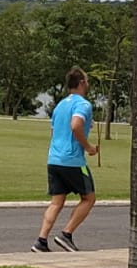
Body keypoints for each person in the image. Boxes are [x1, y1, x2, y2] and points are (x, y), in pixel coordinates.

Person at [33, 67, 98, 252]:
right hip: (73, 161)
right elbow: (76, 125)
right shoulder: (83, 105)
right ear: (82, 83)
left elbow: (54, 131)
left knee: (57, 201)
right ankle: (66, 234)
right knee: (89, 198)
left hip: (54, 159)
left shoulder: (60, 105)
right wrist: (88, 147)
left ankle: (41, 240)